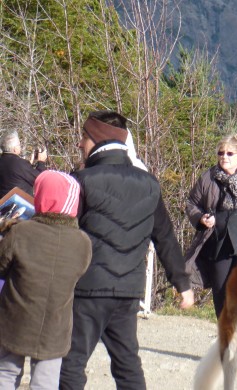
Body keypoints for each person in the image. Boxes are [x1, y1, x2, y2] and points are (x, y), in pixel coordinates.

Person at [59, 110, 194, 390]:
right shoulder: (149, 184)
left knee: (71, 363)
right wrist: (183, 283)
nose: (79, 144)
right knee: (127, 365)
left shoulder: (81, 181)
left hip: (88, 289)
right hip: (128, 291)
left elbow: (64, 236)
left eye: (83, 136)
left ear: (96, 139)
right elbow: (165, 237)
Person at [0, 170, 92, 389]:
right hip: (55, 323)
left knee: (6, 372)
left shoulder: (21, 232)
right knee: (46, 382)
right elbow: (79, 273)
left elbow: (1, 266)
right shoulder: (82, 242)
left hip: (15, 319)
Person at [185, 133, 237, 318]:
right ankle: (225, 336)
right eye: (221, 153)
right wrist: (201, 218)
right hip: (218, 244)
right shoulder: (209, 178)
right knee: (221, 290)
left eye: (230, 153)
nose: (224, 157)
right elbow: (192, 203)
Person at [0, 131, 47, 198]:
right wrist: (41, 162)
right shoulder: (19, 164)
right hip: (19, 205)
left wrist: (28, 165)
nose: (20, 147)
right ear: (15, 149)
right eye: (19, 145)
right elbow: (40, 178)